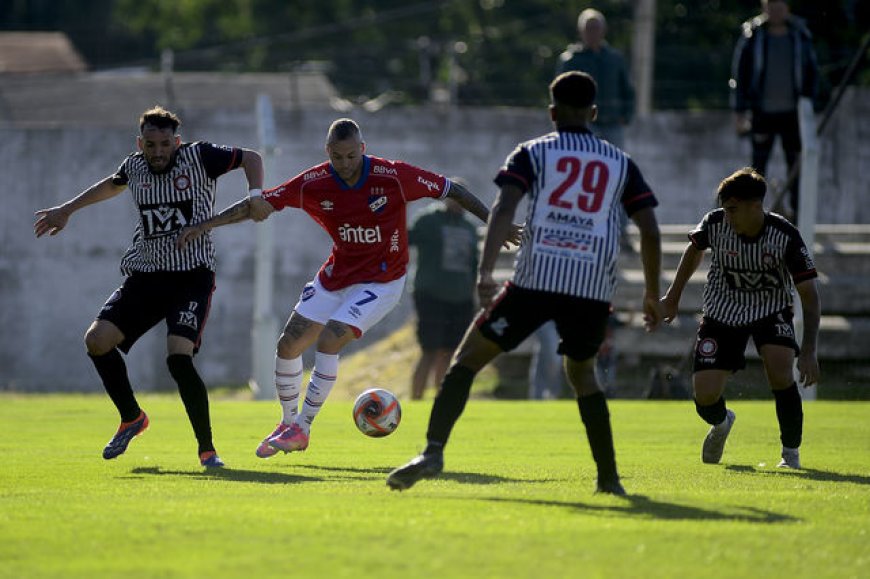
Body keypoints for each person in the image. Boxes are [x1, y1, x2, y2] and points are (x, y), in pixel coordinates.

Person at [387, 71, 664, 495]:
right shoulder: (619, 161)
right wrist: (650, 292)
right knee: (583, 375)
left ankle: (433, 451)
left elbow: (503, 208)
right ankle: (609, 479)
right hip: (590, 286)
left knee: (466, 360)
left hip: (536, 279)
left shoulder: (533, 153)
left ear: (551, 112)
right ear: (593, 112)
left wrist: (485, 272)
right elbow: (648, 228)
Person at [177, 119, 520, 458]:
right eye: (337, 157)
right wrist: (205, 224)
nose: (345, 164)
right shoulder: (314, 181)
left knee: (329, 340)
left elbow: (452, 190)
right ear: (328, 152)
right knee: (288, 345)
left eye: (351, 156)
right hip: (336, 276)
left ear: (362, 149)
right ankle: (288, 424)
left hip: (382, 281)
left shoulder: (394, 176)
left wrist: (496, 224)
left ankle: (304, 427)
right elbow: (260, 204)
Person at [34, 106, 265, 467]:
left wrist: (256, 195)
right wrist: (67, 209)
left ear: (177, 141)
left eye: (164, 144)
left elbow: (250, 157)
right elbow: (111, 184)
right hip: (145, 275)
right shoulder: (135, 166)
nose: (158, 152)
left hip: (191, 276)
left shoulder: (199, 156)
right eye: (151, 144)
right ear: (140, 143)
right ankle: (132, 417)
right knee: (96, 341)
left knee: (178, 357)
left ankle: (207, 450)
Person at [660, 167, 820, 469]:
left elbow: (810, 297)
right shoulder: (716, 223)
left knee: (780, 370)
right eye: (725, 209)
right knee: (705, 395)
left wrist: (809, 349)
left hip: (770, 309)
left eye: (733, 209)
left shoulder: (785, 236)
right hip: (722, 310)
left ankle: (790, 455)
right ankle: (721, 423)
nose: (728, 216)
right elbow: (693, 251)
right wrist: (672, 297)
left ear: (755, 206)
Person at [730, 0, 819, 221]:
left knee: (795, 166)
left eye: (780, 4)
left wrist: (810, 108)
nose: (776, 10)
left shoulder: (800, 35)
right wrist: (740, 110)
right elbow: (741, 75)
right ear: (764, 6)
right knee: (757, 169)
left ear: (788, 7)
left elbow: (812, 72)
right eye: (772, 4)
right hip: (762, 113)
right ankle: (752, 213)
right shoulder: (753, 35)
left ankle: (798, 217)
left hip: (793, 115)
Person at [408, 192, 480, 400]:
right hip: (431, 296)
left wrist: (474, 295)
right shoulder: (428, 220)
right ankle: (416, 399)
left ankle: (440, 400)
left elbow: (473, 265)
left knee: (449, 352)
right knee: (429, 350)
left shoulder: (470, 228)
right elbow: (406, 239)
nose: (459, 203)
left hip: (461, 299)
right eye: (456, 197)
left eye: (464, 199)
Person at [556, 8, 635, 150]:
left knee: (614, 164)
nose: (592, 32)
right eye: (588, 28)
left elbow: (628, 88)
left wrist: (626, 115)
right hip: (583, 123)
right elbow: (559, 93)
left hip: (612, 123)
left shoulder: (615, 59)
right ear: (580, 31)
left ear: (604, 30)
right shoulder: (571, 60)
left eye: (596, 28)